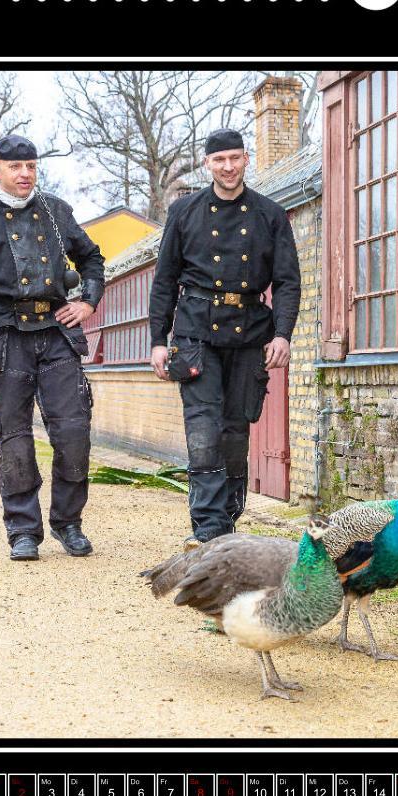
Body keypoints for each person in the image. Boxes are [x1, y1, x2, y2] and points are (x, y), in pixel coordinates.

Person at [0, 134, 105, 561]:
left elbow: (92, 259)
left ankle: (69, 523)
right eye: (15, 167)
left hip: (56, 332)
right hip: (2, 335)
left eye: (31, 166)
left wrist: (86, 300)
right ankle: (23, 531)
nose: (25, 174)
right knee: (13, 437)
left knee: (73, 433)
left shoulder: (56, 211)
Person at [148, 129, 301, 546]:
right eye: (220, 160)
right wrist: (158, 340)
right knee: (203, 430)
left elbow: (287, 281)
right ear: (207, 164)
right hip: (196, 330)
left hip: (251, 332)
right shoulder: (184, 212)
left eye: (235, 158)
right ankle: (208, 527)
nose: (228, 167)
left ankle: (228, 517)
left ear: (246, 159)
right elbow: (164, 281)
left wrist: (283, 334)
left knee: (235, 430)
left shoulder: (270, 214)